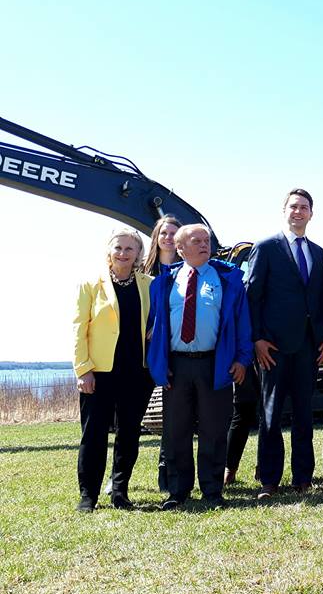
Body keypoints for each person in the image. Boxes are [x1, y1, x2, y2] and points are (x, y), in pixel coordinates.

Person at [147, 224, 253, 510]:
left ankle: (212, 491)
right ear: (180, 248)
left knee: (214, 431)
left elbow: (242, 323)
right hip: (177, 367)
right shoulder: (165, 282)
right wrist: (159, 365)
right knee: (175, 431)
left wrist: (242, 360)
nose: (204, 244)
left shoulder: (228, 279)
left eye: (206, 240)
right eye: (197, 240)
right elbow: (154, 328)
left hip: (214, 365)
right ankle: (178, 491)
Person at [245, 189, 323, 499]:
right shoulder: (266, 248)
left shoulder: (318, 252)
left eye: (304, 207)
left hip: (308, 346)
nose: (298, 211)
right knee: (271, 414)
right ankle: (269, 480)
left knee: (305, 415)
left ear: (311, 213)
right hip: (273, 348)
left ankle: (303, 478)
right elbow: (252, 296)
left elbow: (318, 299)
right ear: (284, 211)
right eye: (293, 206)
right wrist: (256, 339)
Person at [73, 228, 154, 512]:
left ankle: (120, 492)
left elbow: (158, 321)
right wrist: (83, 370)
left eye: (129, 249)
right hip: (100, 373)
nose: (122, 253)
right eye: (118, 248)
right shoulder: (90, 285)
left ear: (138, 255)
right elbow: (79, 329)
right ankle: (88, 495)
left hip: (137, 374)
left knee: (129, 434)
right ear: (109, 251)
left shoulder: (149, 285)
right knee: (93, 434)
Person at [143, 214, 182, 494]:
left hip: (178, 353)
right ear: (156, 237)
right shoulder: (143, 273)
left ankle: (167, 473)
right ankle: (118, 476)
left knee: (173, 417)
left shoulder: (187, 272)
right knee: (133, 416)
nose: (168, 238)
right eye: (164, 233)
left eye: (173, 233)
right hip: (146, 353)